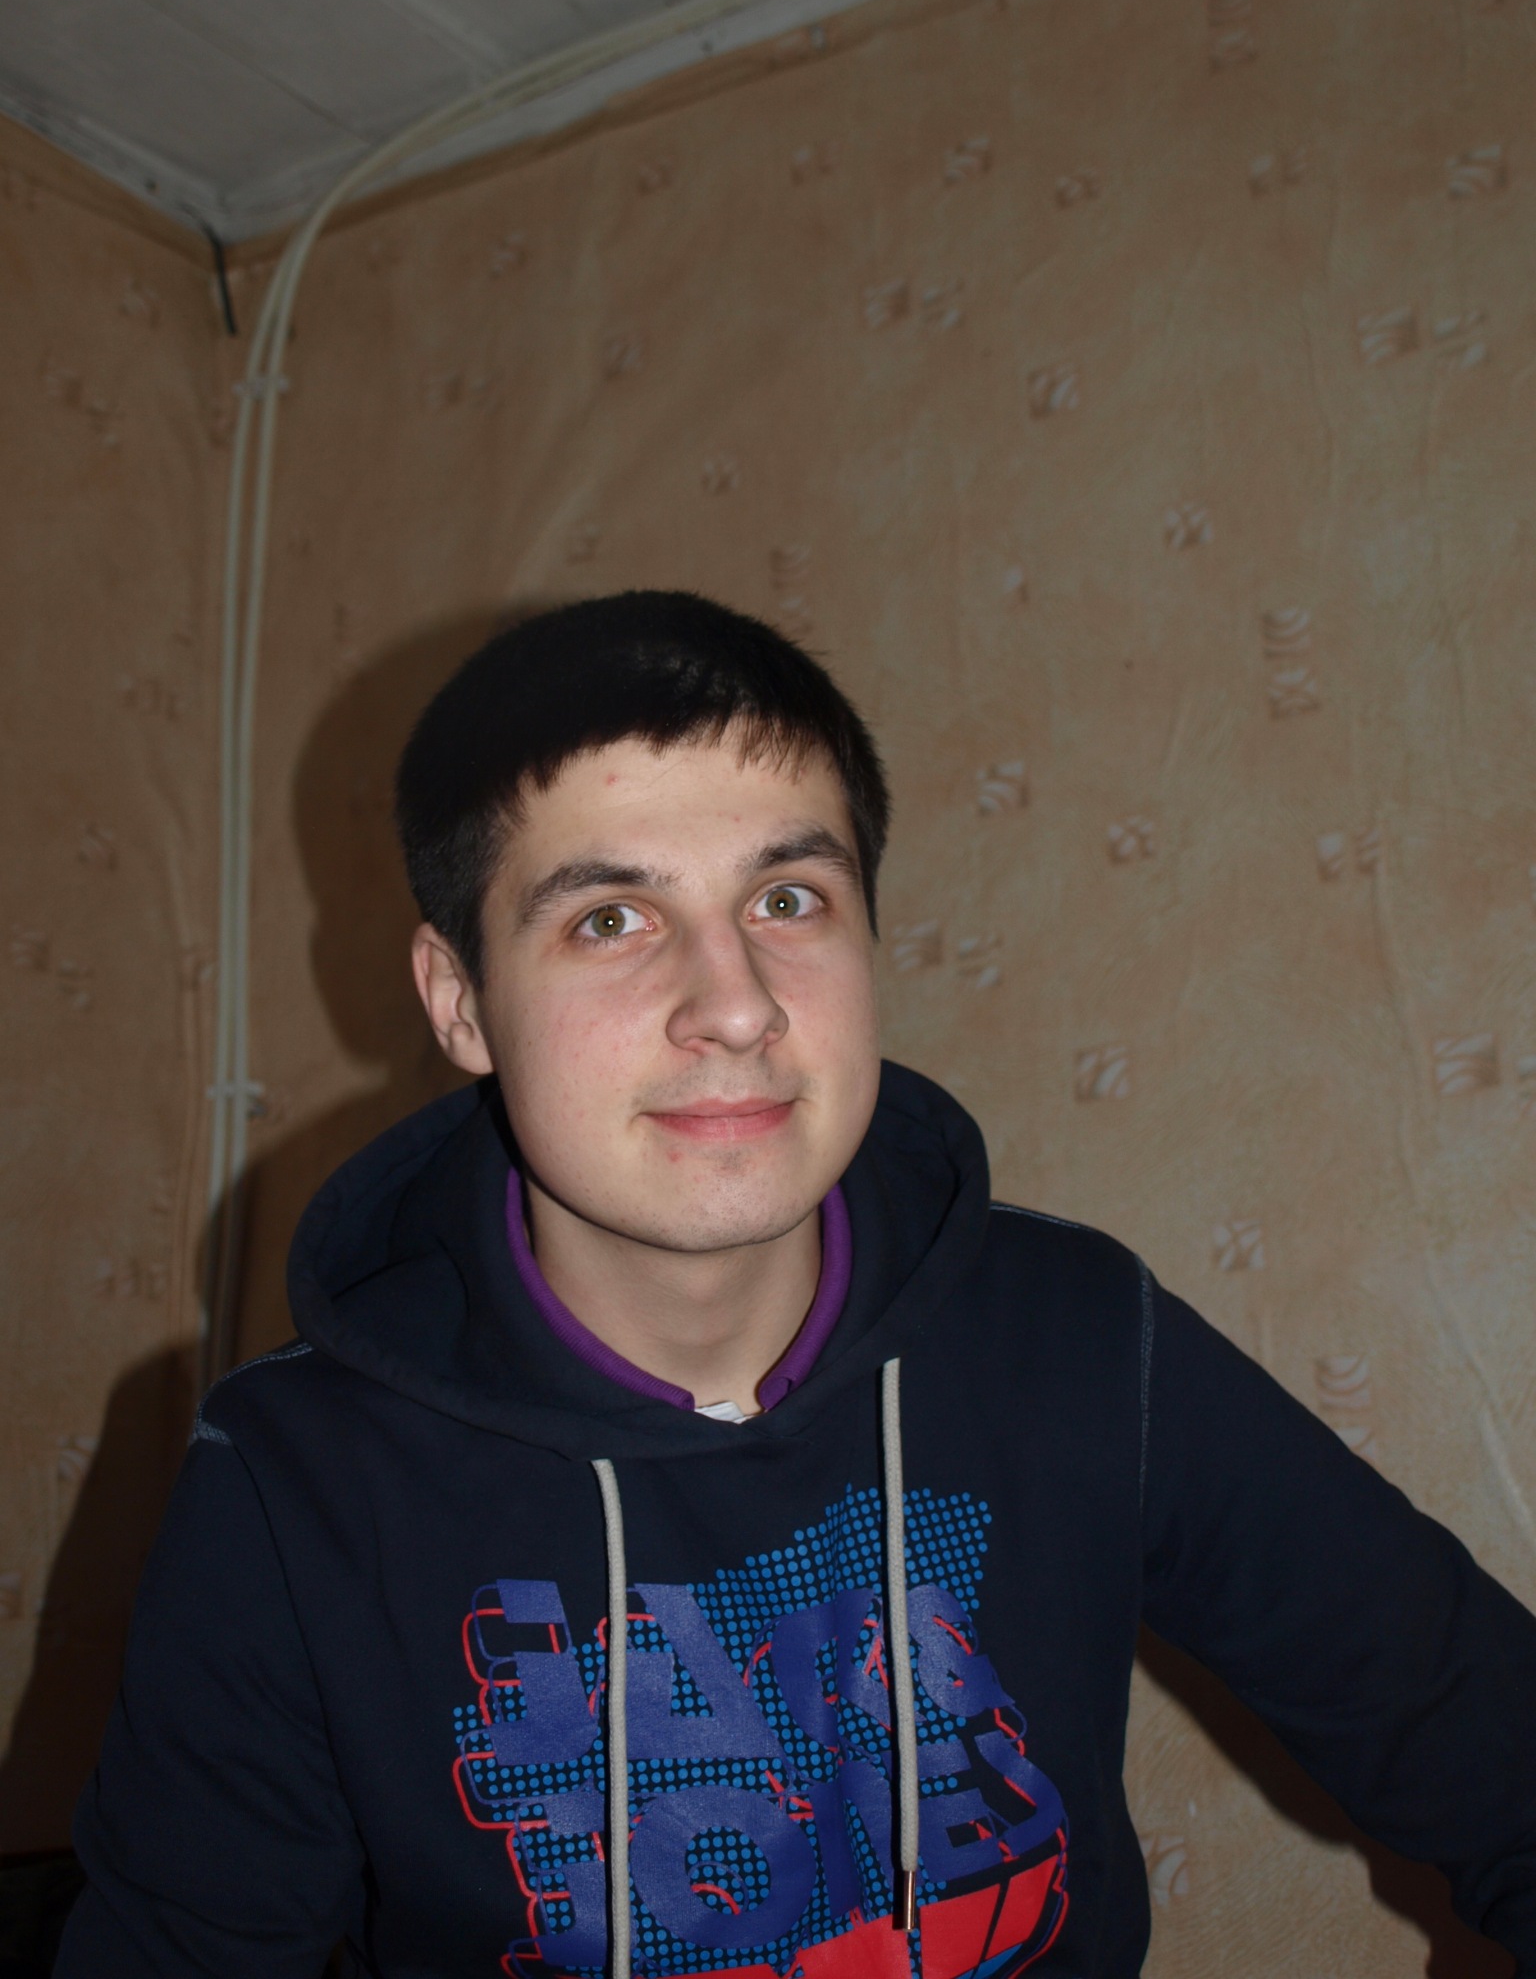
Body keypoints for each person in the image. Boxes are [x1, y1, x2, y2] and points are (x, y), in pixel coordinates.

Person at [57, 592, 1536, 1978]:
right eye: (610, 919)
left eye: (787, 897)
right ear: (461, 1003)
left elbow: (1481, 1736)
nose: (736, 1005)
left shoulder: (1078, 1338)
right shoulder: (295, 1484)